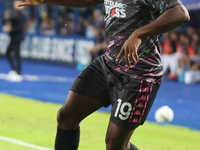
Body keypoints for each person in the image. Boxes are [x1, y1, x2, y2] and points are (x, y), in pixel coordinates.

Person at [17, 0, 190, 150]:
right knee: (66, 117)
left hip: (139, 75)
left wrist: (139, 33)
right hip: (108, 63)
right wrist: (47, 0)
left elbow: (180, 13)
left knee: (115, 145)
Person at [4, 1, 26, 82]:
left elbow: (20, 28)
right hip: (14, 37)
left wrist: (11, 29)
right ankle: (14, 70)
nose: (15, 5)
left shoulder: (22, 14)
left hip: (18, 37)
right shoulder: (15, 13)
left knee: (17, 54)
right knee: (9, 52)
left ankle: (18, 73)